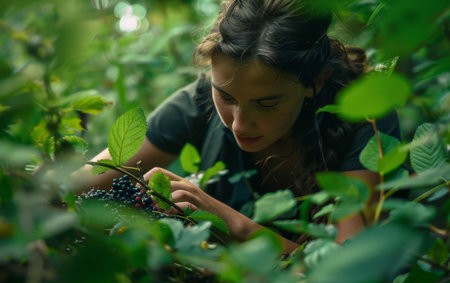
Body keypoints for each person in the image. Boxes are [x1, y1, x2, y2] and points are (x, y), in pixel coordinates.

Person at [74, 0, 400, 254]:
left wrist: (230, 223)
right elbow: (70, 186)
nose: (239, 123)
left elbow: (348, 275)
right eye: (225, 96)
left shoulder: (367, 116)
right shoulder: (196, 101)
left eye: (267, 104)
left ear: (315, 82)